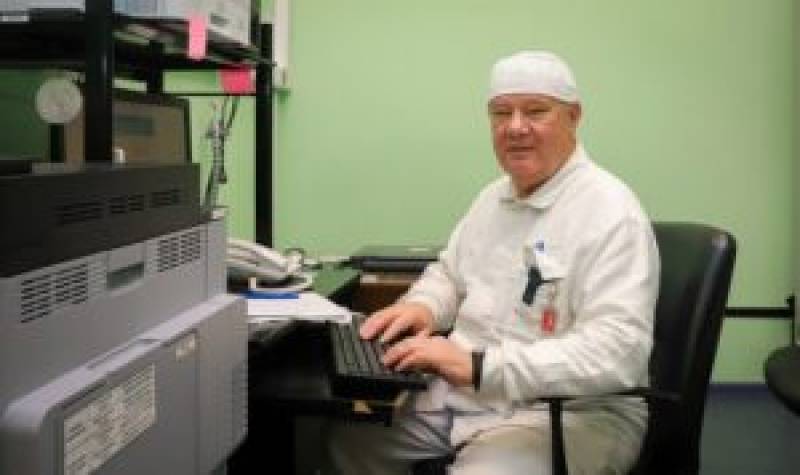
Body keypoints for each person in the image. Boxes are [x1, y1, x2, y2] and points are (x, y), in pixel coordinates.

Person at [323, 50, 660, 475]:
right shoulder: (493, 199)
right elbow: (449, 275)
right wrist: (424, 306)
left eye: (535, 111)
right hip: (467, 393)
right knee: (346, 440)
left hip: (570, 412)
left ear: (573, 117)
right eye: (501, 113)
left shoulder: (610, 212)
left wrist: (480, 366)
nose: (515, 127)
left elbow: (617, 352)